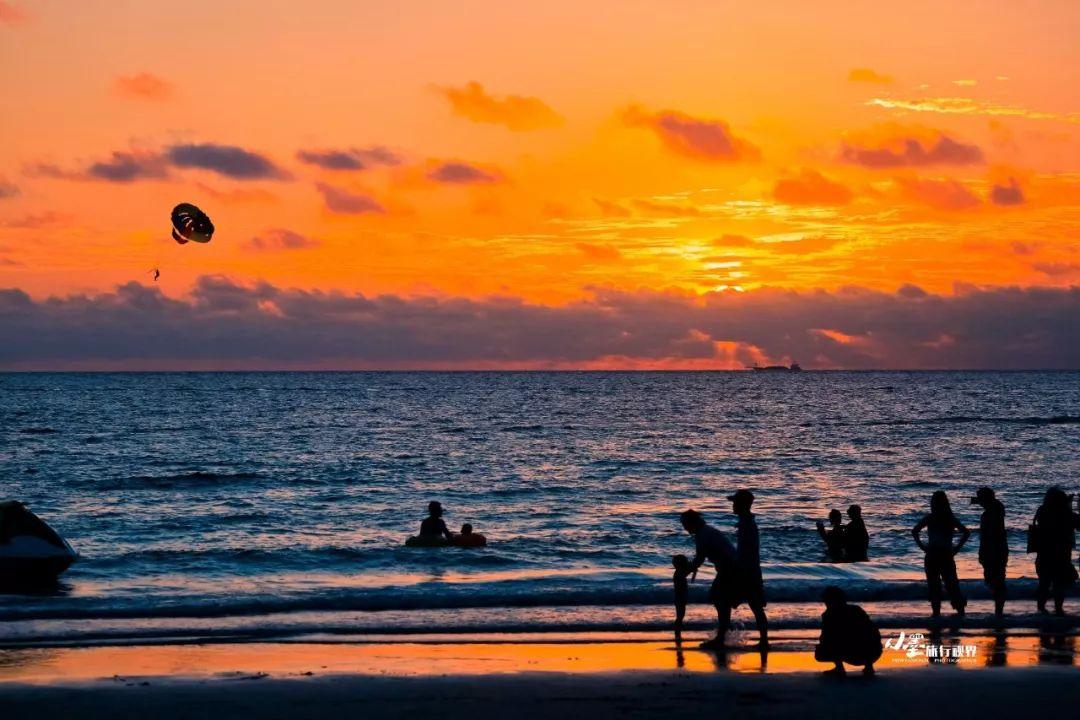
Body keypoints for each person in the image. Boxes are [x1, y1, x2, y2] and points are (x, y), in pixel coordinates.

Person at [680, 509, 737, 648]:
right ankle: (723, 634)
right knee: (721, 601)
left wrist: (684, 573)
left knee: (719, 600)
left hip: (729, 568)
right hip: (730, 567)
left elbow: (699, 559)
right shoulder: (705, 532)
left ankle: (722, 637)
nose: (684, 527)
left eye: (685, 524)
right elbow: (701, 557)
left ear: (692, 522)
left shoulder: (702, 535)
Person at [912, 490, 970, 617]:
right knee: (952, 585)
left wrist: (923, 547)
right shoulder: (950, 518)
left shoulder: (930, 518)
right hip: (945, 554)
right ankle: (961, 615)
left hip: (932, 554)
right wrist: (956, 548)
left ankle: (936, 616)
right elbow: (966, 533)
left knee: (934, 587)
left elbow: (914, 531)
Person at [729, 489, 769, 648]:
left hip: (748, 571)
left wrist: (738, 569)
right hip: (749, 570)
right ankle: (763, 640)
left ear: (742, 505)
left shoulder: (747, 525)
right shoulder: (746, 523)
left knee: (755, 606)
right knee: (755, 606)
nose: (733, 505)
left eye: (735, 503)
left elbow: (747, 551)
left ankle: (764, 641)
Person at [1030, 487, 1079, 616]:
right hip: (1061, 556)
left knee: (1044, 584)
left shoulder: (1042, 511)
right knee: (1059, 585)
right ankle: (1058, 611)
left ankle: (1041, 612)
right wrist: (1071, 506)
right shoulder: (1067, 514)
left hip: (1044, 554)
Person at [814, 586, 882, 676]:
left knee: (822, 649)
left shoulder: (829, 615)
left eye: (825, 600)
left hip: (852, 653)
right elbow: (873, 630)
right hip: (874, 653)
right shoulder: (856, 609)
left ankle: (839, 668)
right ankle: (869, 666)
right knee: (863, 636)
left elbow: (825, 637)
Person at [971, 487, 1008, 616]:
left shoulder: (989, 514)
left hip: (992, 551)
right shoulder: (997, 510)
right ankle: (999, 610)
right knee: (997, 579)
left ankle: (999, 610)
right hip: (1000, 550)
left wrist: (983, 552)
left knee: (994, 580)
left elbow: (987, 536)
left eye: (980, 499)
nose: (979, 502)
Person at [672, 554, 692, 637]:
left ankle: (678, 630)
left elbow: (687, 572)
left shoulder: (678, 572)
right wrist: (692, 567)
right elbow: (687, 572)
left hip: (679, 597)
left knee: (680, 615)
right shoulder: (679, 573)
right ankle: (677, 630)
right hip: (680, 597)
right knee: (680, 615)